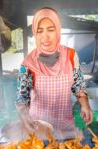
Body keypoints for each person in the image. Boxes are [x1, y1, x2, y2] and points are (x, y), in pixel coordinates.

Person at [16, 7, 92, 136]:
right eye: (40, 31)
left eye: (50, 30)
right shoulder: (28, 63)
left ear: (58, 30)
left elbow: (78, 85)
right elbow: (22, 97)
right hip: (39, 128)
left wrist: (85, 105)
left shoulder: (71, 56)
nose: (45, 37)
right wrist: (24, 114)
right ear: (35, 33)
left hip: (66, 128)